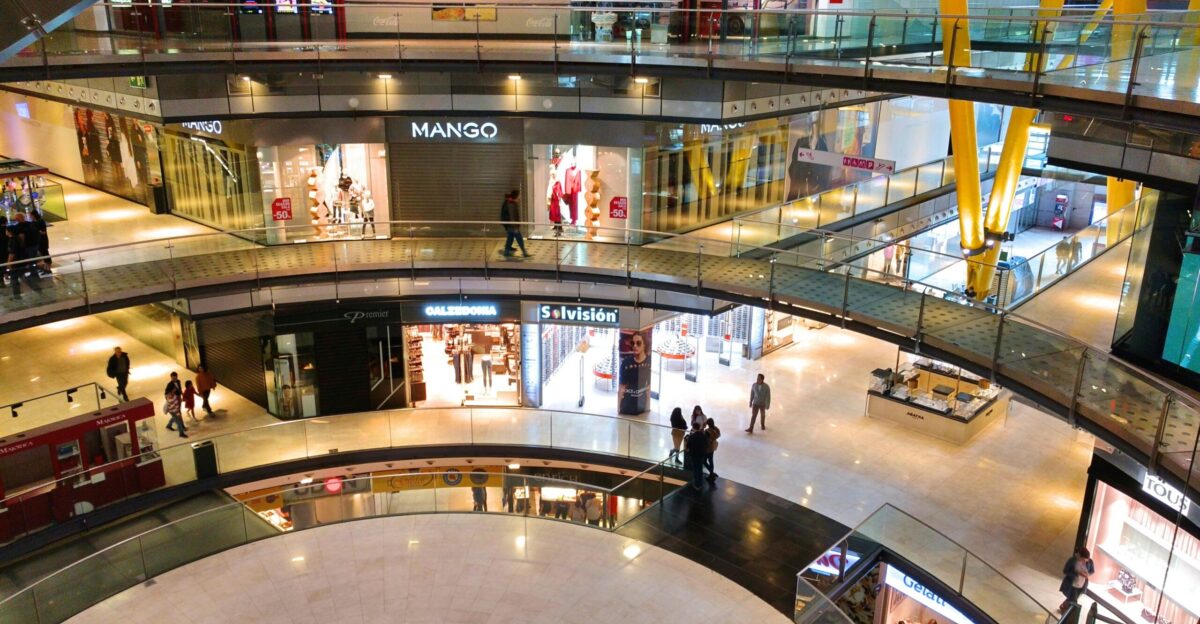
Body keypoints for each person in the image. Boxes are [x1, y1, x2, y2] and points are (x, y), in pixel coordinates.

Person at [1057, 547, 1094, 613]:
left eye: (1086, 560)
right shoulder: (1072, 561)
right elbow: (1065, 571)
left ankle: (1063, 606)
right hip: (1073, 584)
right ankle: (1067, 615)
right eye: (1083, 559)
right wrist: (1077, 573)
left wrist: (1087, 574)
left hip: (1082, 585)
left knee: (1072, 598)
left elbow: (1092, 571)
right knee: (1074, 602)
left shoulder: (1089, 562)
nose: (1084, 561)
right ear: (1079, 556)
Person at [500, 189, 530, 257]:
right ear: (516, 196)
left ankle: (506, 252)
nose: (519, 197)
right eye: (519, 195)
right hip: (512, 226)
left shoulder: (510, 202)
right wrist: (515, 227)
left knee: (510, 238)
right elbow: (512, 216)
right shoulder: (511, 204)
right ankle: (524, 252)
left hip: (509, 225)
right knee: (519, 238)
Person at [684, 424, 709, 491]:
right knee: (700, 469)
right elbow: (706, 444)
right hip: (701, 455)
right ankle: (700, 483)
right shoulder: (703, 436)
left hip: (694, 455)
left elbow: (687, 446)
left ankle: (696, 484)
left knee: (695, 469)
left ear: (694, 428)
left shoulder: (692, 436)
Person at [704, 417, 721, 482]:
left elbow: (705, 440)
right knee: (711, 460)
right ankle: (711, 473)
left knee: (704, 461)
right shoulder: (716, 429)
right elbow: (719, 435)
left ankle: (711, 473)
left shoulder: (707, 431)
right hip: (713, 447)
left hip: (707, 448)